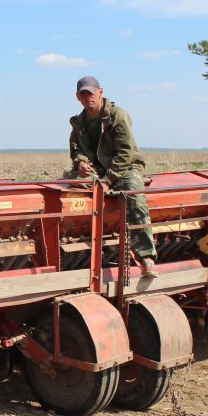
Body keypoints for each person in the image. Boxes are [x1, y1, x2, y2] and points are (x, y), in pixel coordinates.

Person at [69, 76, 158, 278]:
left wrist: (108, 180)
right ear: (78, 97)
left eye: (91, 92)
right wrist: (81, 162)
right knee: (69, 187)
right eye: (83, 94)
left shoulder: (117, 116)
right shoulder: (79, 122)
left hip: (124, 167)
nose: (88, 97)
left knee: (134, 197)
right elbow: (75, 149)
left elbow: (126, 152)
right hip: (97, 169)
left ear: (100, 92)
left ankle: (146, 257)